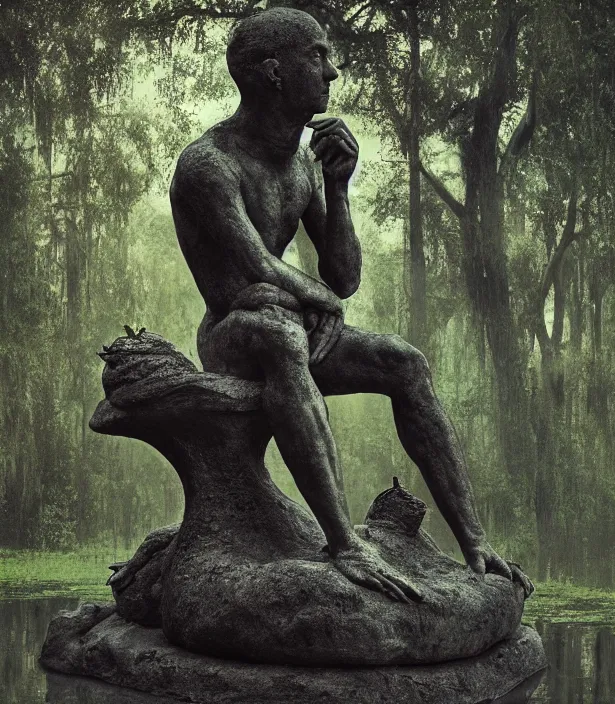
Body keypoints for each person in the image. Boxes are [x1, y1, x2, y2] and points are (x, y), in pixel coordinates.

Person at [169, 7, 519, 603]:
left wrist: (338, 185)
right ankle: (344, 544)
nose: (334, 71)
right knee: (279, 336)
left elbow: (345, 277)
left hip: (295, 323)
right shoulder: (208, 164)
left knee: (404, 362)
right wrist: (319, 301)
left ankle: (476, 542)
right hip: (233, 335)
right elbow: (253, 265)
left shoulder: (304, 163)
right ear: (274, 71)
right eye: (319, 56)